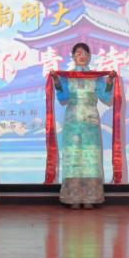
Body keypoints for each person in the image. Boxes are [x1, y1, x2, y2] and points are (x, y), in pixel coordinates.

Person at [50, 42, 114, 210]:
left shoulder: (95, 77)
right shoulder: (67, 77)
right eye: (78, 53)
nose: (82, 56)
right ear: (73, 57)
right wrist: (57, 82)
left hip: (91, 122)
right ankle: (73, 197)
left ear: (89, 56)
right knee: (74, 157)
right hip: (72, 122)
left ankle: (90, 197)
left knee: (91, 158)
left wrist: (109, 82)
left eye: (85, 53)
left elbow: (106, 98)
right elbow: (63, 98)